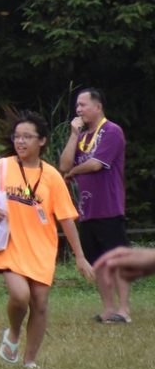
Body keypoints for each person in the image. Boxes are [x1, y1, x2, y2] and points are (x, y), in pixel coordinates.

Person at [0, 112, 93, 368]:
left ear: (41, 141)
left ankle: (29, 360)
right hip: (9, 244)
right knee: (20, 296)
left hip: (42, 248)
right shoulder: (1, 167)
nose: (20, 141)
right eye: (17, 137)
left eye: (27, 137)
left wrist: (80, 256)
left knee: (39, 303)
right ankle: (13, 332)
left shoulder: (52, 176)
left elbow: (66, 219)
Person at [58, 87, 129, 323]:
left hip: (109, 208)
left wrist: (74, 172)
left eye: (83, 105)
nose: (78, 109)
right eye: (77, 105)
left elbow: (96, 164)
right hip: (87, 210)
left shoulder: (111, 131)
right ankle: (108, 309)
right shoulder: (81, 137)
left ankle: (124, 310)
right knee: (97, 262)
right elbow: (64, 165)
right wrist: (73, 135)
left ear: (98, 107)